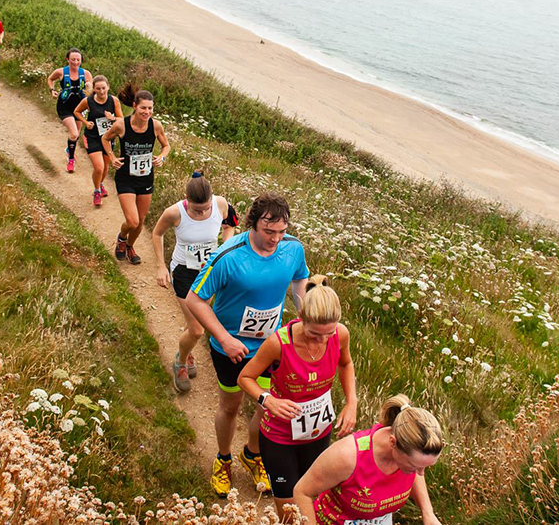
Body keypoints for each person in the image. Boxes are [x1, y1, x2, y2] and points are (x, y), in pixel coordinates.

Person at [186, 192, 309, 498]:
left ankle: (252, 454)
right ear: (252, 224)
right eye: (268, 231)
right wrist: (225, 339)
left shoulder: (293, 249)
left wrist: (306, 318)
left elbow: (299, 280)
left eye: (281, 231)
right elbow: (195, 299)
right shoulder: (229, 256)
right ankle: (223, 459)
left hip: (270, 347)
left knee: (267, 406)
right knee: (231, 407)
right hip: (231, 350)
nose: (275, 239)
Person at [238, 275, 357, 521]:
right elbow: (245, 378)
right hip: (280, 436)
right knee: (290, 510)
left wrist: (351, 402)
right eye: (314, 334)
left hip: (318, 433)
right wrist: (268, 400)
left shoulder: (341, 335)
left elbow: (346, 363)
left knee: (312, 499)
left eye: (328, 334)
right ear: (301, 316)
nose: (322, 340)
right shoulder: (278, 344)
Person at [293, 395, 444, 525]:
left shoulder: (410, 458)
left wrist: (428, 513)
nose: (420, 474)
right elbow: (302, 492)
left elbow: (417, 468)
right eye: (414, 466)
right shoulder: (347, 456)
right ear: (393, 443)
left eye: (424, 467)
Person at [152, 172, 239, 392]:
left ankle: (187, 349)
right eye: (196, 210)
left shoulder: (220, 204)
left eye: (205, 209)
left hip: (208, 273)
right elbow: (157, 233)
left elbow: (230, 224)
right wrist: (161, 266)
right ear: (186, 199)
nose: (201, 213)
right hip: (183, 272)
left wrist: (224, 248)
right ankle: (180, 361)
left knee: (194, 324)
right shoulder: (174, 212)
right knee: (198, 329)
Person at [102, 84, 170, 265]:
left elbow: (166, 146)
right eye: (143, 108)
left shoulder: (155, 126)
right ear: (134, 106)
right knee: (132, 221)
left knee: (140, 222)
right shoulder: (121, 125)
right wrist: (112, 157)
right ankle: (122, 237)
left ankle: (129, 246)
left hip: (146, 178)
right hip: (126, 178)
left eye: (150, 108)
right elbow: (105, 139)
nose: (147, 112)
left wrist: (161, 157)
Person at [73, 75, 123, 206]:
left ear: (108, 87)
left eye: (104, 88)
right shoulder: (88, 101)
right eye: (98, 89)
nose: (101, 91)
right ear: (94, 89)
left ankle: (99, 183)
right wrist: (85, 122)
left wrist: (112, 118)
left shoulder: (114, 101)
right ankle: (96, 191)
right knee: (99, 168)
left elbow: (121, 119)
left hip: (107, 138)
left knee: (105, 168)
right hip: (92, 137)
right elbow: (76, 111)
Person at [47, 49, 93, 173]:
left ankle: (69, 149)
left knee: (76, 134)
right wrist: (52, 90)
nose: (75, 62)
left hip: (79, 107)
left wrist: (89, 88)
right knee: (74, 134)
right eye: (73, 59)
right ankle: (71, 160)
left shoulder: (86, 74)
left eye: (78, 60)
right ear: (68, 60)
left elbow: (91, 90)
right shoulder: (61, 72)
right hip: (64, 106)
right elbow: (50, 79)